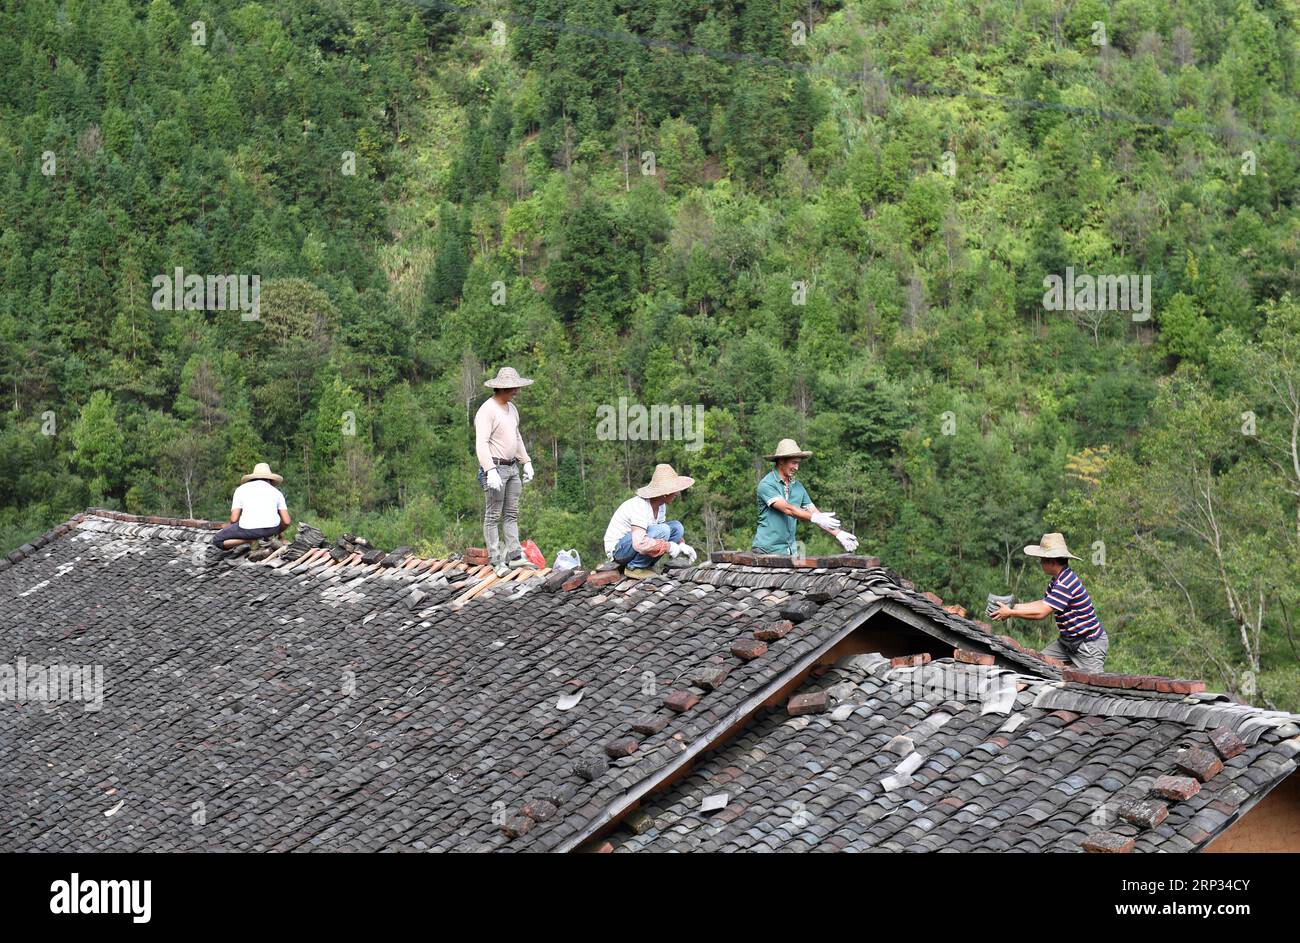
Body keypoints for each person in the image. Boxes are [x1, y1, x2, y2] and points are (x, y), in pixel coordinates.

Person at [991, 532, 1108, 672]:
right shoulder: (1058, 580)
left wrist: (1011, 613)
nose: (1040, 563)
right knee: (1036, 666)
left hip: (1088, 645)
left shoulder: (1066, 583)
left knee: (1093, 687)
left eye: (1042, 559)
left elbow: (1042, 612)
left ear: (1051, 561)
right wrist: (1013, 606)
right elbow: (1043, 603)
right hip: (1067, 643)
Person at [476, 366, 536, 577]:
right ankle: (496, 558)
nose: (516, 392)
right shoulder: (487, 410)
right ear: (501, 389)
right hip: (496, 468)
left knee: (511, 513)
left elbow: (516, 437)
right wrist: (489, 469)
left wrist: (526, 461)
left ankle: (514, 554)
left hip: (512, 468)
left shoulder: (512, 409)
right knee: (493, 514)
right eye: (512, 388)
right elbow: (481, 443)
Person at [751, 439, 858, 557]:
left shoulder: (798, 487)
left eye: (798, 463)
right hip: (767, 550)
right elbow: (788, 509)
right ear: (781, 461)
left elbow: (815, 513)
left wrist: (839, 534)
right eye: (793, 463)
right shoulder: (767, 484)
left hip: (790, 552)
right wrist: (815, 517)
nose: (797, 467)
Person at [603, 463, 697, 578]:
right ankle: (634, 567)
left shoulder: (661, 506)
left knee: (677, 528)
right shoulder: (640, 506)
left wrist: (681, 544)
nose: (677, 494)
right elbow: (640, 544)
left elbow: (661, 532)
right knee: (664, 530)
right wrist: (668, 547)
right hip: (619, 551)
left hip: (635, 544)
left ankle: (644, 565)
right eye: (675, 490)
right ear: (666, 493)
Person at [211, 463, 291, 555]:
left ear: (253, 478)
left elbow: (234, 519)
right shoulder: (277, 493)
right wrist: (277, 532)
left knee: (217, 540)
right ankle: (265, 538)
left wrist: (233, 529)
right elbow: (287, 521)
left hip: (249, 530)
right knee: (273, 520)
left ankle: (249, 541)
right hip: (271, 530)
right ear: (270, 479)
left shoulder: (241, 489)